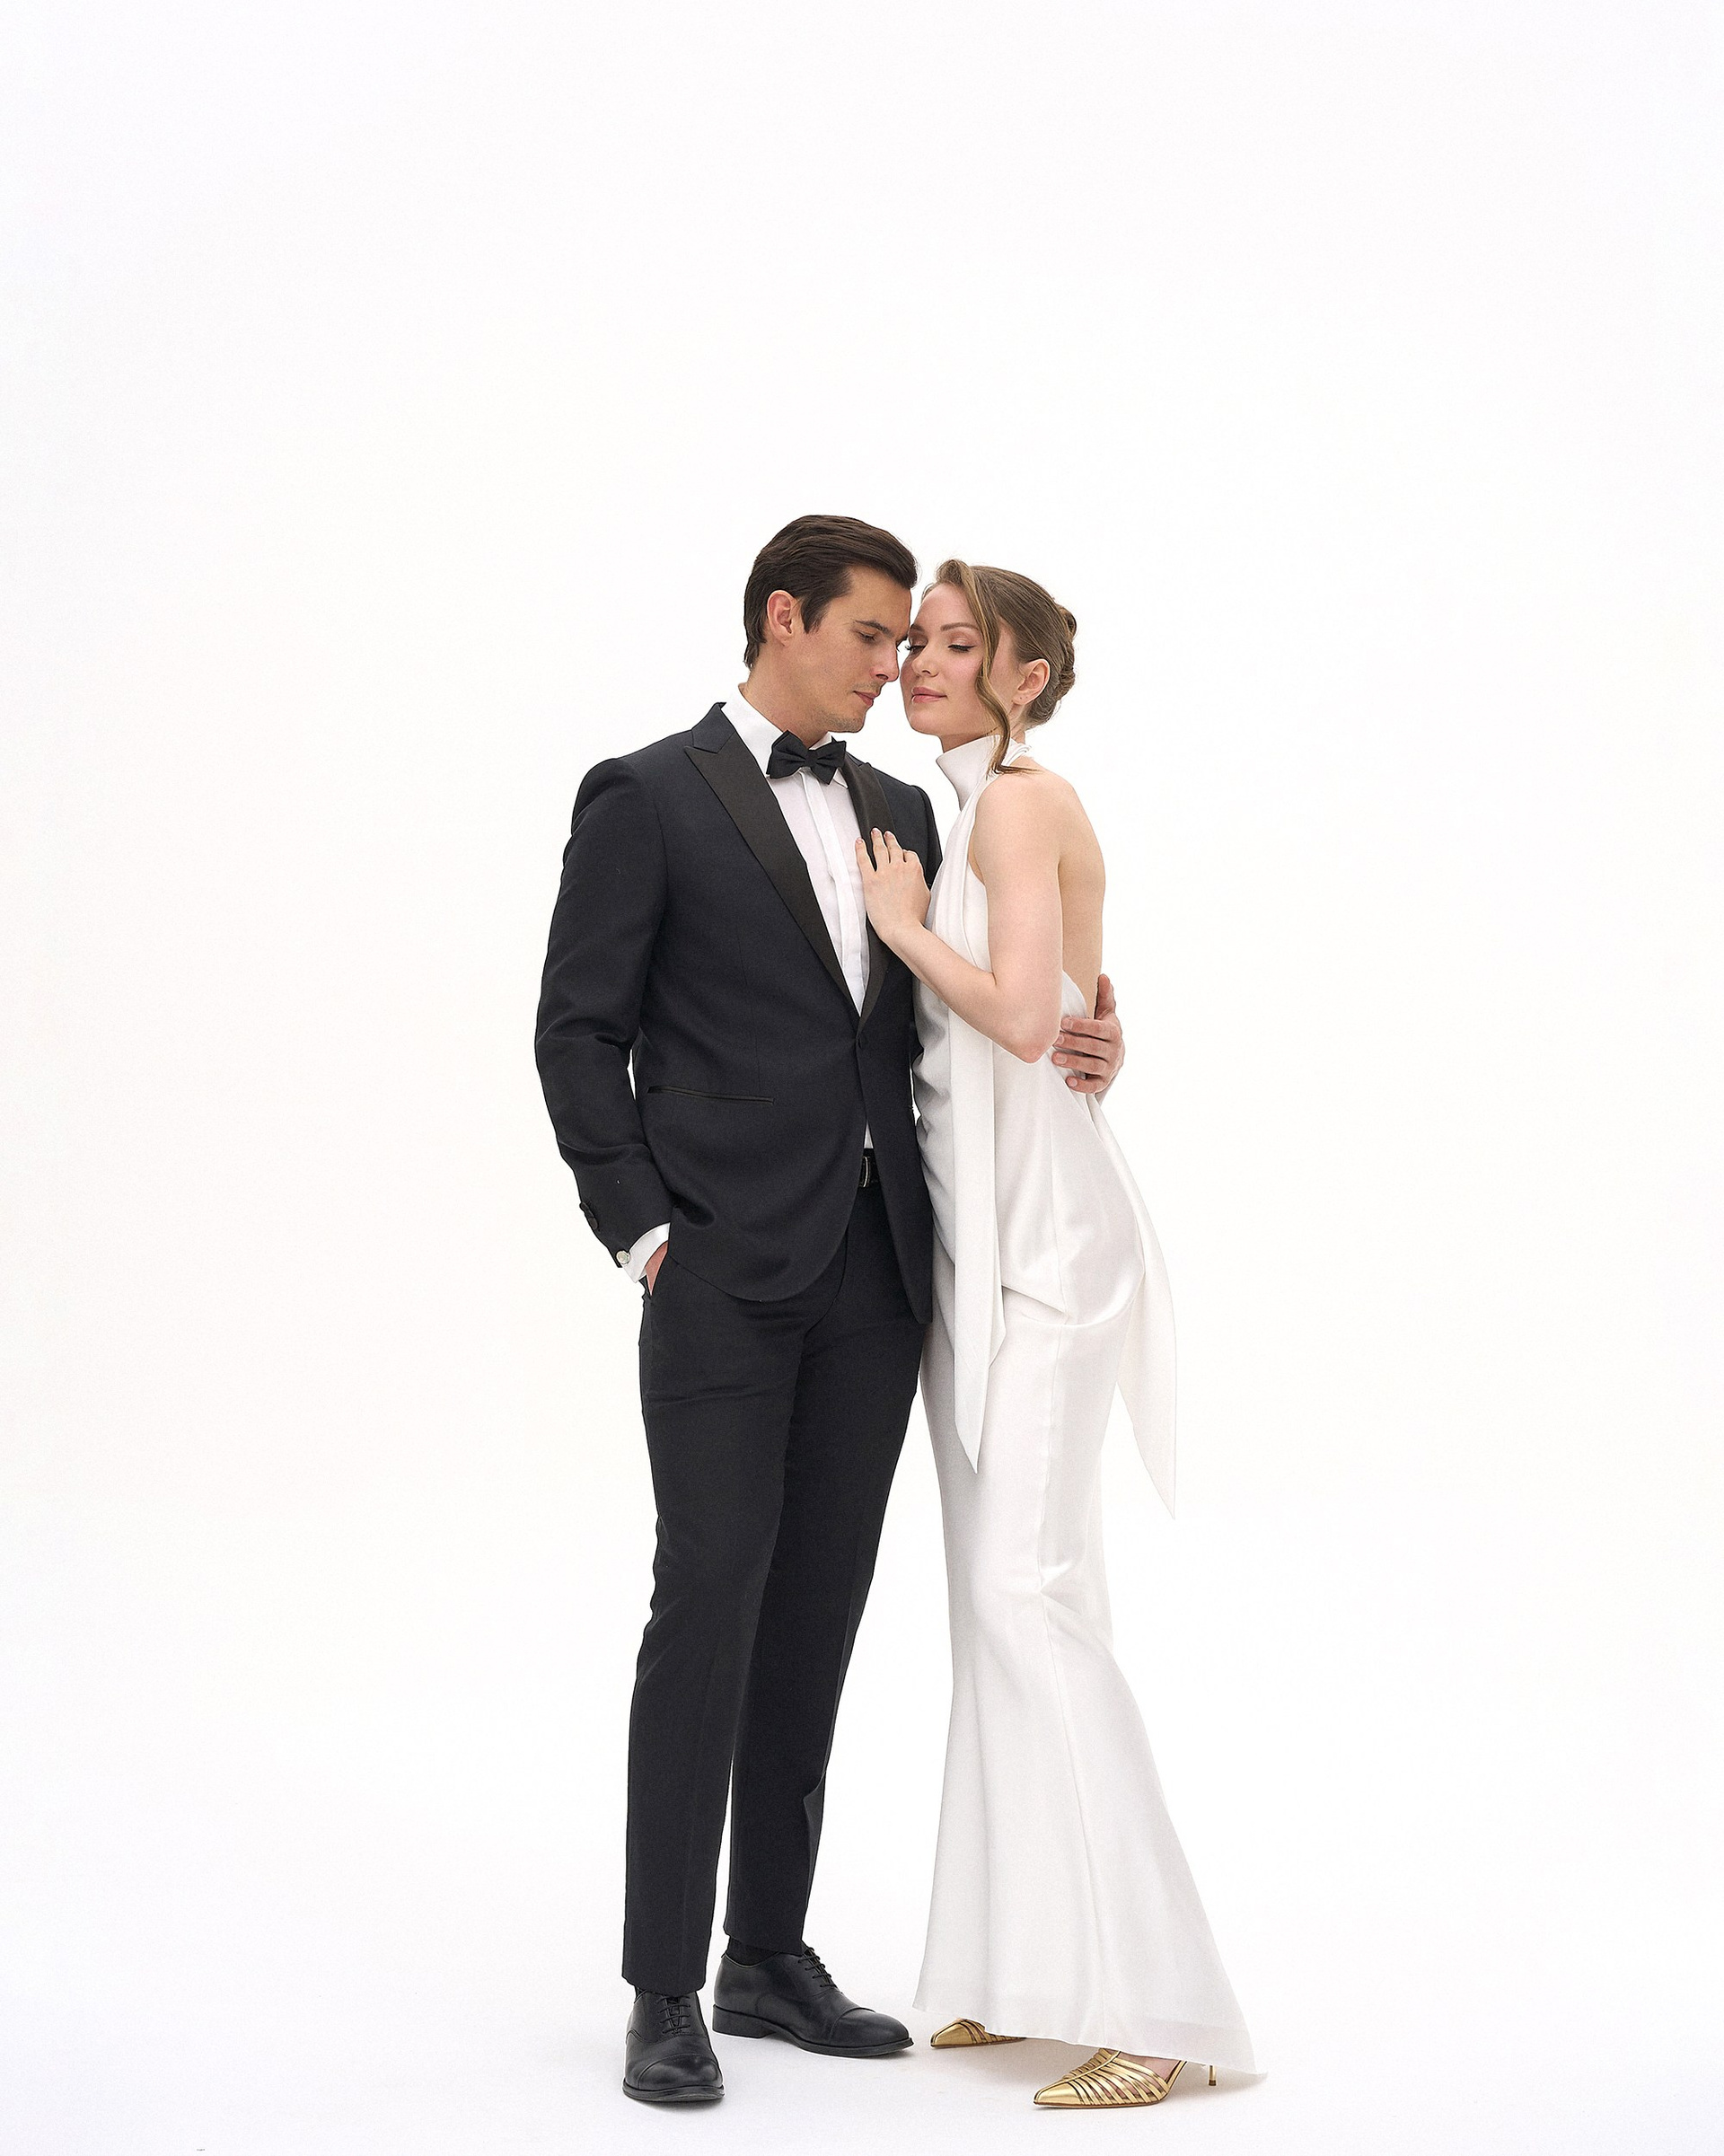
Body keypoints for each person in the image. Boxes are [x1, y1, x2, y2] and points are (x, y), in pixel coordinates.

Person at [532, 517, 1128, 2105]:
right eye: (874, 635)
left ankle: (768, 1954)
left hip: (879, 1277)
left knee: (817, 1614)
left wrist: (1092, 1034)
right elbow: (577, 1032)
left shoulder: (899, 810)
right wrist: (643, 1230)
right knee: (707, 1605)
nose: (895, 665)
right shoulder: (646, 796)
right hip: (721, 1275)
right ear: (783, 617)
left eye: (914, 640)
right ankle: (665, 1985)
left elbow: (967, 1010)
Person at [855, 560, 1258, 2110]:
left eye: (961, 644)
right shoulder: (956, 811)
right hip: (980, 1255)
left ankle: (1162, 2010)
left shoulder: (1019, 805)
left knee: (1026, 1594)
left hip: (1048, 1254)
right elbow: (1063, 1014)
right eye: (917, 640)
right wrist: (1086, 1016)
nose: (923, 661)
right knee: (999, 1605)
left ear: (1023, 677)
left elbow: (1028, 1018)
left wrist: (904, 928)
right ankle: (1015, 1968)